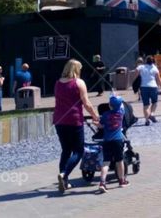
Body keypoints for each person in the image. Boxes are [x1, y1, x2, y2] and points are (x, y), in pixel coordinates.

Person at [53, 59, 99, 193]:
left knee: (66, 150)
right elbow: (86, 103)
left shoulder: (57, 83)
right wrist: (95, 116)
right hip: (74, 120)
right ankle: (64, 174)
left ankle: (64, 179)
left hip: (59, 120)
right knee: (78, 151)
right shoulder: (79, 83)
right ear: (77, 69)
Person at [96, 95, 130, 192]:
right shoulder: (121, 113)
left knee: (106, 162)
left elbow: (101, 126)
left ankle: (102, 183)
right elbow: (121, 106)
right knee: (119, 161)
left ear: (109, 105)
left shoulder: (105, 114)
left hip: (107, 141)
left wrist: (96, 123)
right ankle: (122, 181)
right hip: (118, 140)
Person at [135, 56, 161, 126]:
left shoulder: (142, 67)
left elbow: (136, 70)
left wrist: (138, 76)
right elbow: (158, 79)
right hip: (153, 87)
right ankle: (151, 114)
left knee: (146, 105)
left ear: (146, 61)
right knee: (154, 102)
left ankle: (146, 121)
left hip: (143, 87)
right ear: (153, 61)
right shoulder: (154, 68)